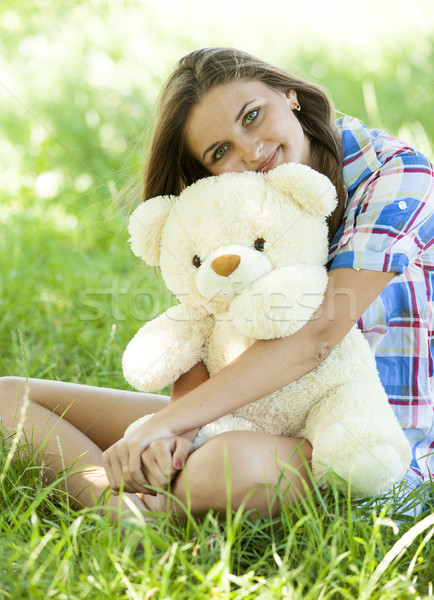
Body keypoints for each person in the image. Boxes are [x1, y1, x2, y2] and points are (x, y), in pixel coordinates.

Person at [1, 47, 433, 520]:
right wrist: (176, 433)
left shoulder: (397, 175)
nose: (250, 151)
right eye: (220, 151)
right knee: (8, 400)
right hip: (248, 411)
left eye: (252, 116)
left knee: (220, 466)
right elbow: (207, 334)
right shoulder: (234, 199)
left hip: (363, 440)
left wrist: (167, 424)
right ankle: (120, 511)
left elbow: (318, 337)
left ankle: (147, 508)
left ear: (288, 95)